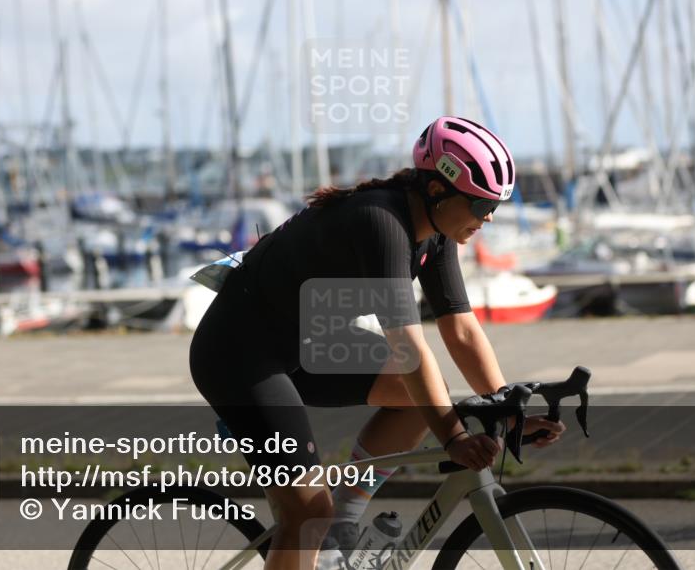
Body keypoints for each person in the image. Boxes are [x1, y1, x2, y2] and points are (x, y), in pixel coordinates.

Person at [189, 116, 565, 570]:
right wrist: (454, 437)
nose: (487, 219)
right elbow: (407, 344)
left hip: (306, 345)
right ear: (437, 190)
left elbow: (461, 330)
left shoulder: (437, 234)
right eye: (480, 204)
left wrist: (508, 408)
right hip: (240, 356)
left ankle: (340, 532)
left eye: (494, 207)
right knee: (308, 511)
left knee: (421, 395)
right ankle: (324, 526)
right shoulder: (380, 221)